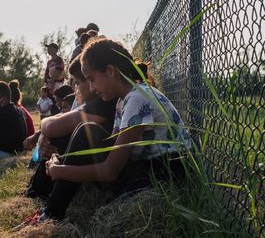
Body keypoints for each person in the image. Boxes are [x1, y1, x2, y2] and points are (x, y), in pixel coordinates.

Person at [27, 38, 191, 223]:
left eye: (91, 79)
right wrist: (60, 161)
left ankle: (50, 215)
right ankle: (50, 210)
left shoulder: (137, 98)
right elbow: (110, 150)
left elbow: (110, 171)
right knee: (87, 132)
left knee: (87, 131)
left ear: (111, 71)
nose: (90, 88)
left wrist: (60, 171)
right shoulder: (124, 99)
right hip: (149, 168)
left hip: (165, 173)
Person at [24, 55, 117, 198]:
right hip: (96, 164)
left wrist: (45, 132)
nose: (76, 89)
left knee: (60, 137)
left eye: (78, 83)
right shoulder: (95, 101)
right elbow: (55, 121)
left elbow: (52, 126)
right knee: (55, 135)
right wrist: (42, 135)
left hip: (106, 170)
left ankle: (40, 191)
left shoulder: (103, 102)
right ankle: (39, 189)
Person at [0, 81, 27, 157]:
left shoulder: (3, 113)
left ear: (2, 99)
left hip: (7, 153)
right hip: (18, 151)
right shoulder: (18, 110)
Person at [44, 43, 64, 115]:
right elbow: (47, 74)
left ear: (55, 49)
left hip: (57, 85)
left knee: (56, 102)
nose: (48, 50)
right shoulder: (49, 62)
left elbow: (59, 69)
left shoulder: (59, 59)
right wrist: (46, 83)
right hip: (50, 85)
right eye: (48, 48)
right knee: (51, 103)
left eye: (50, 48)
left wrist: (52, 81)